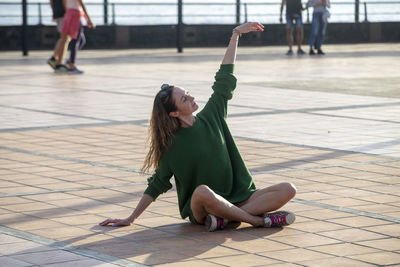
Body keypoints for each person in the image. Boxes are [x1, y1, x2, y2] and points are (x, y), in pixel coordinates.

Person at [99, 22, 297, 232]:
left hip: (240, 198)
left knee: (288, 189)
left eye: (188, 92)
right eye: (184, 99)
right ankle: (257, 220)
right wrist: (131, 218)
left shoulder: (212, 115)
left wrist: (235, 35)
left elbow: (225, 78)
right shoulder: (171, 144)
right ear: (174, 113)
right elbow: (158, 183)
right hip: (203, 207)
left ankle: (228, 219)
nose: (192, 97)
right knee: (202, 191)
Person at [53, 0, 94, 73]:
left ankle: (69, 61)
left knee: (75, 40)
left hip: (68, 14)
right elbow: (81, 4)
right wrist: (89, 19)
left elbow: (64, 3)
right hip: (75, 15)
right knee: (76, 40)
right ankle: (71, 64)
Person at [47, 0, 65, 70]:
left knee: (64, 38)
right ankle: (57, 62)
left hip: (58, 14)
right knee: (64, 39)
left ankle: (55, 59)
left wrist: (54, 13)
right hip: (63, 15)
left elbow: (51, 2)